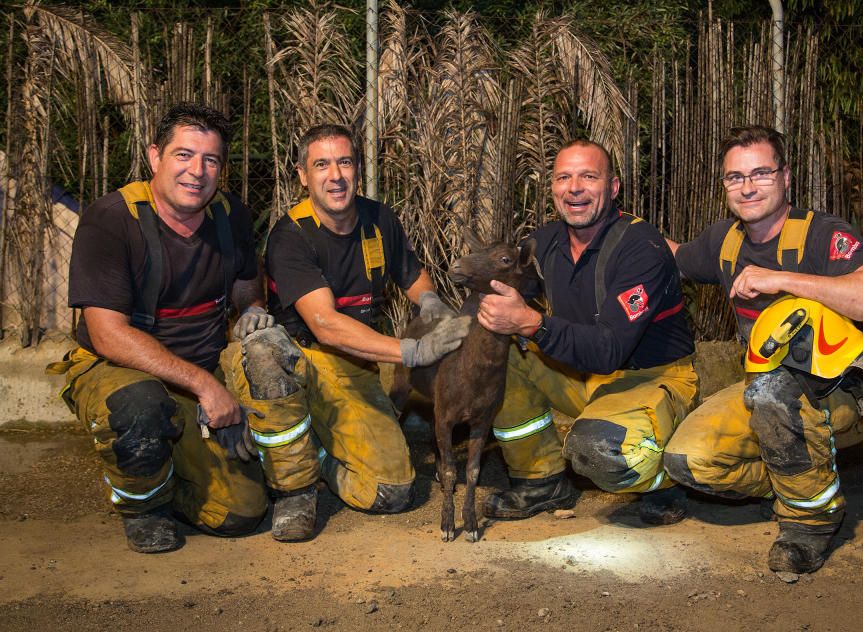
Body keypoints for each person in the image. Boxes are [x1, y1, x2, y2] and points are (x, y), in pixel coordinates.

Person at [662, 125, 863, 574]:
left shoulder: (821, 234)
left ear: (786, 176)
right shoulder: (724, 240)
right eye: (735, 177)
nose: (748, 186)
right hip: (765, 390)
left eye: (760, 173)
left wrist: (782, 280)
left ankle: (810, 523)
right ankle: (797, 481)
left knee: (773, 394)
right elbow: (675, 256)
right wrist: (625, 228)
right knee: (687, 461)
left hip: (840, 391)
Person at [48, 103, 275, 553]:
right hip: (119, 368)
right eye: (183, 155)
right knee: (139, 406)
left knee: (242, 514)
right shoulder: (112, 219)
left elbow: (248, 283)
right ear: (155, 157)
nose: (197, 171)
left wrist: (251, 310)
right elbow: (109, 334)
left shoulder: (231, 215)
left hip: (201, 370)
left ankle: (175, 473)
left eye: (210, 160)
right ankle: (143, 507)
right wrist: (207, 387)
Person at [238, 123, 470, 541]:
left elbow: (409, 272)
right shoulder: (290, 236)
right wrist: (413, 351)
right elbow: (325, 325)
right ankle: (294, 483)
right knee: (265, 355)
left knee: (393, 490)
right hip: (299, 360)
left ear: (358, 168)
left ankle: (321, 452)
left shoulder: (378, 217)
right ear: (303, 175)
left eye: (344, 162)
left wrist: (431, 301)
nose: (336, 175)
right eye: (321, 165)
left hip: (354, 365)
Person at [476, 139, 699, 524]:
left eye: (588, 176)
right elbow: (504, 285)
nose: (574, 187)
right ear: (553, 189)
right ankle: (540, 481)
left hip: (649, 379)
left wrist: (531, 321)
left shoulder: (640, 247)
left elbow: (609, 349)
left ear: (613, 188)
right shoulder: (545, 242)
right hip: (581, 375)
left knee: (598, 449)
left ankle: (667, 480)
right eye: (564, 177)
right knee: (499, 348)